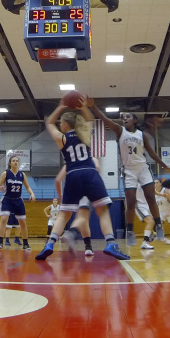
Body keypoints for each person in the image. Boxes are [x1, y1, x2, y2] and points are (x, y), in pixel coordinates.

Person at [36, 97, 129, 260]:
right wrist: (85, 107)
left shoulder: (62, 139)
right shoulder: (84, 133)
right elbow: (90, 119)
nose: (59, 125)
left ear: (65, 124)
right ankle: (111, 243)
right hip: (90, 173)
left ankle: (49, 244)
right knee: (103, 212)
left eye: (61, 123)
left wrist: (60, 107)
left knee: (64, 215)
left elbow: (49, 123)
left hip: (72, 174)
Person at [94, 105, 170, 247]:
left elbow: (152, 153)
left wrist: (164, 165)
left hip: (142, 168)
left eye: (128, 116)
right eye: (123, 117)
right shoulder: (120, 131)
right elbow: (104, 119)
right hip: (129, 170)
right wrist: (93, 106)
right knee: (130, 203)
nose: (124, 118)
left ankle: (159, 225)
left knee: (150, 198)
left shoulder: (141, 135)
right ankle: (130, 231)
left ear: (135, 120)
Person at [0, 154, 35, 250]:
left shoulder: (22, 175)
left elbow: (27, 187)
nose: (15, 162)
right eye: (13, 160)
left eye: (17, 160)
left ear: (19, 163)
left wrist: (32, 194)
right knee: (4, 219)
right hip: (7, 200)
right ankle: (0, 242)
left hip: (18, 200)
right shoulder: (5, 173)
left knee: (22, 223)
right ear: (10, 163)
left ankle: (25, 243)